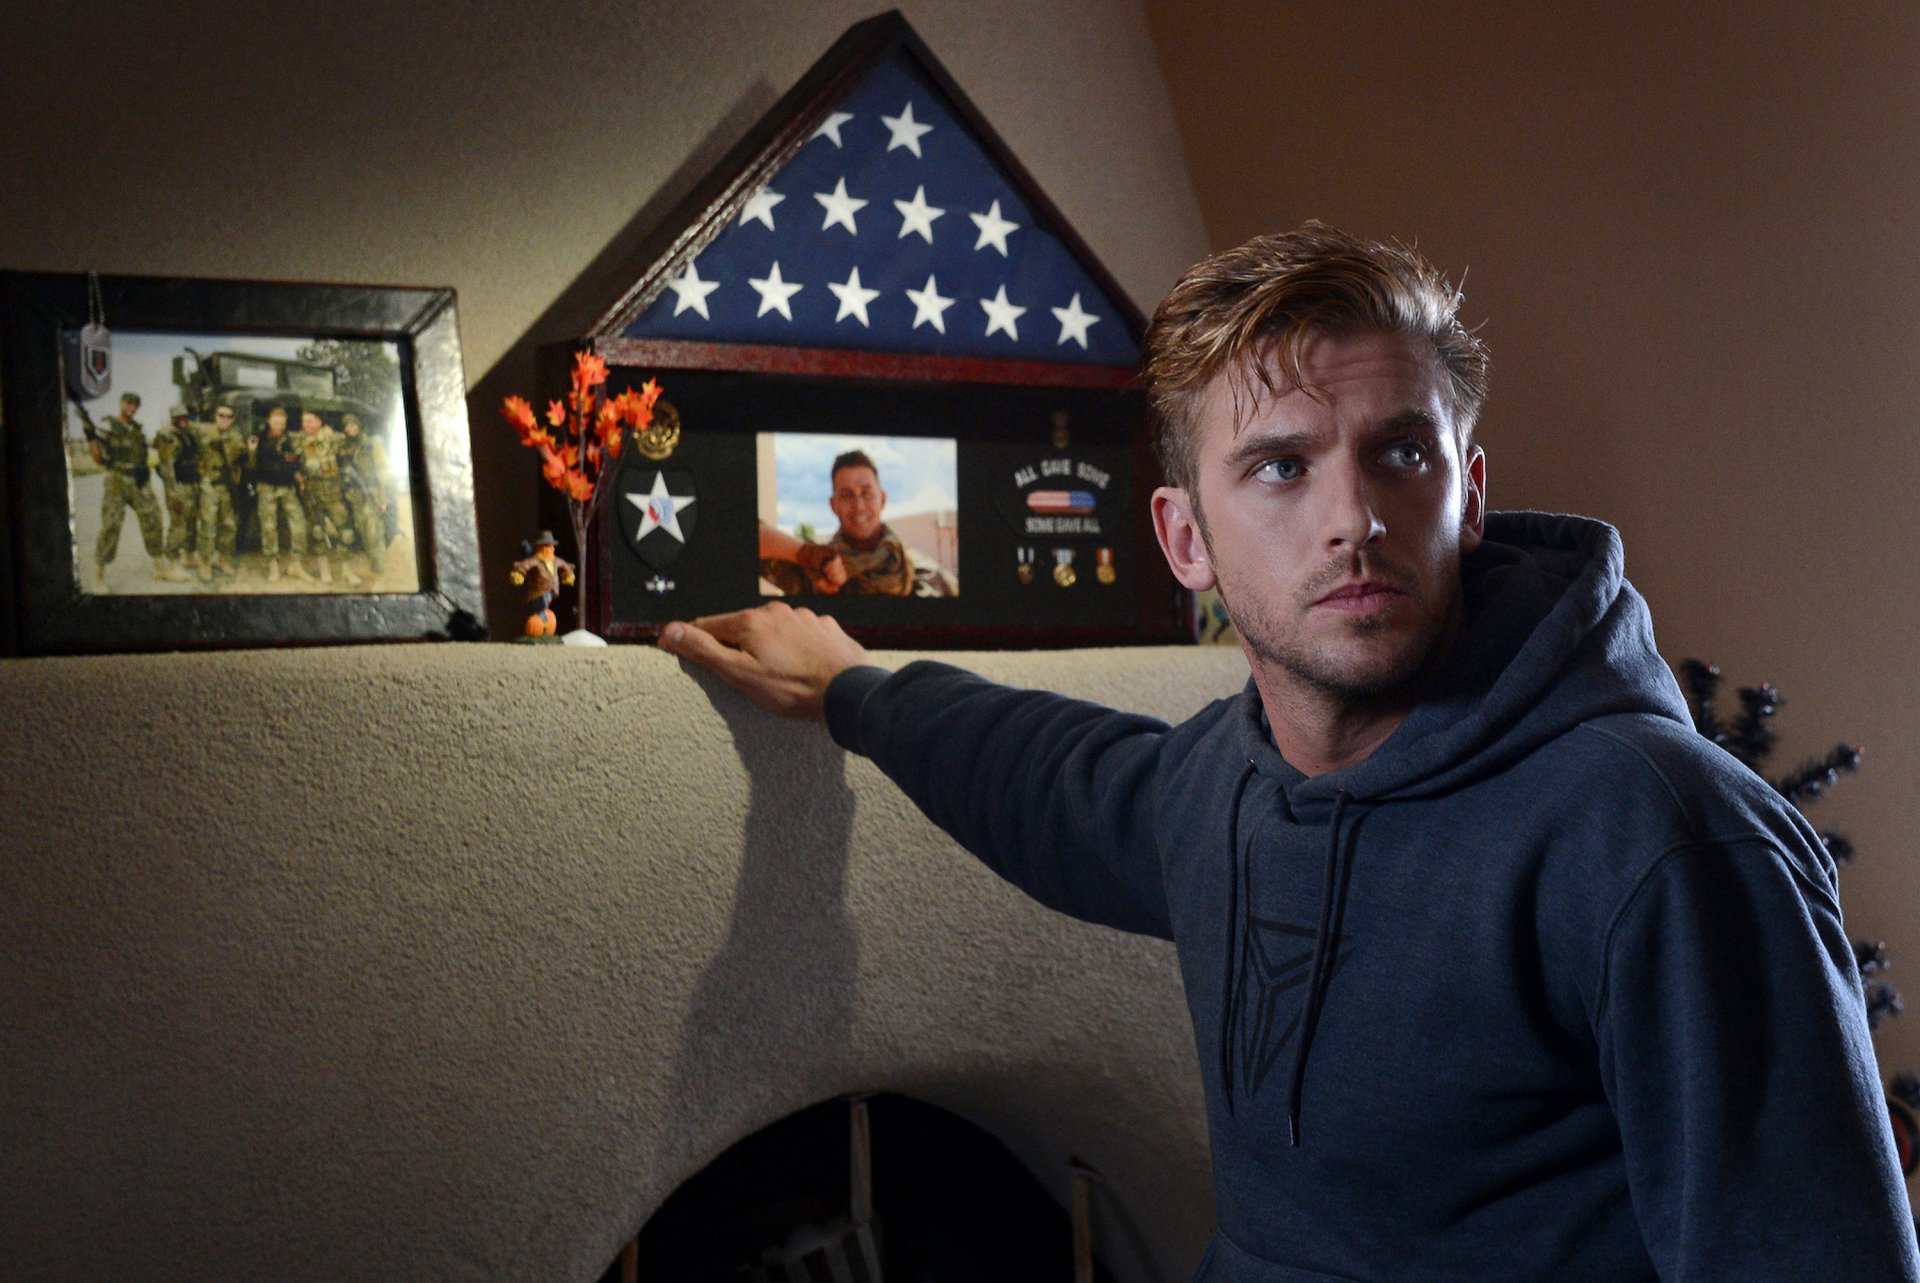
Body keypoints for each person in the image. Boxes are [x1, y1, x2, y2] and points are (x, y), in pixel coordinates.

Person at [658, 223, 1920, 1279]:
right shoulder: (1226, 782)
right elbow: (1057, 778)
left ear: (1469, 495)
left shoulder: (1659, 838)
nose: (1355, 519)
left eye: (1401, 452)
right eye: (1278, 467)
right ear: (1184, 538)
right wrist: (855, 689)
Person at [760, 450, 913, 597]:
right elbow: (740, 534)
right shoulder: (814, 572)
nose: (858, 506)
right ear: (834, 505)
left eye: (867, 494)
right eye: (847, 495)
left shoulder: (920, 572)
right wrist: (803, 553)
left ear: (883, 499)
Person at [86, 391, 167, 589]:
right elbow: (98, 459)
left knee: (153, 518)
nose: (131, 407)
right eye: (128, 403)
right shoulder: (108, 428)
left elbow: (145, 454)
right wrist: (90, 438)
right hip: (117, 480)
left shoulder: (137, 430)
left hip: (138, 480)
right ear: (121, 403)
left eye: (135, 405)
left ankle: (159, 567)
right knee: (111, 524)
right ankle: (98, 577)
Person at [248, 405, 308, 584]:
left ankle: (296, 564)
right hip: (266, 488)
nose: (279, 426)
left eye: (282, 423)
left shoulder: (289, 440)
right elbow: (250, 467)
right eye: (275, 422)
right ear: (269, 421)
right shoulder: (258, 439)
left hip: (286, 488)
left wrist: (298, 475)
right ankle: (273, 564)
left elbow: (296, 461)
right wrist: (251, 451)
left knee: (299, 524)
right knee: (268, 527)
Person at [190, 404, 247, 583]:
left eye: (229, 416)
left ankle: (223, 559)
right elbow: (181, 425)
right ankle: (205, 563)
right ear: (215, 416)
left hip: (228, 486)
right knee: (208, 524)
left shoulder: (237, 437)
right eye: (221, 415)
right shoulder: (202, 430)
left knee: (229, 524)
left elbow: (244, 458)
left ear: (233, 419)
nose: (225, 419)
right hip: (209, 484)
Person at [296, 409, 350, 586]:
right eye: (304, 421)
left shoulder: (332, 438)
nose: (306, 425)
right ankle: (324, 570)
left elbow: (346, 440)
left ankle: (346, 570)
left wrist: (327, 433)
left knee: (346, 532)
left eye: (310, 421)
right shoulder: (299, 441)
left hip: (333, 494)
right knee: (318, 533)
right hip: (312, 495)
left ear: (320, 422)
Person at [338, 413, 391, 587]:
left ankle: (380, 573)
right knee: (361, 531)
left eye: (352, 425)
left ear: (359, 425)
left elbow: (383, 469)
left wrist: (383, 496)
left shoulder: (372, 443)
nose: (349, 428)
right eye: (346, 426)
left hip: (372, 492)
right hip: (354, 495)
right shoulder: (345, 446)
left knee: (374, 533)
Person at [151, 405, 199, 582]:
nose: (182, 420)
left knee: (191, 522)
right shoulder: (167, 438)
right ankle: (173, 563)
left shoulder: (188, 433)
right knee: (178, 524)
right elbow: (166, 469)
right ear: (171, 418)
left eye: (184, 417)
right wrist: (174, 495)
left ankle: (189, 556)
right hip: (177, 487)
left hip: (192, 484)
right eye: (177, 417)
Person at [510, 530, 575, 638]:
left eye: (550, 546)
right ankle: (539, 626)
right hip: (538, 589)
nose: (549, 549)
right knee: (542, 606)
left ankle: (545, 626)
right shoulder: (536, 560)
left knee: (546, 605)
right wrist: (518, 574)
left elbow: (565, 567)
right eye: (545, 546)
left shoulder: (556, 560)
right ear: (540, 547)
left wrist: (568, 575)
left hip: (552, 589)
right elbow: (525, 565)